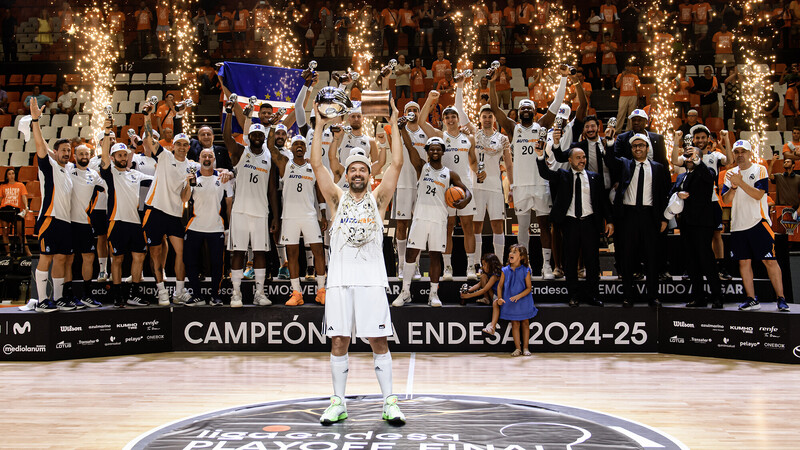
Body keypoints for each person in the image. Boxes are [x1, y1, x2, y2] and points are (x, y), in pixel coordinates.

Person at [311, 100, 405, 425]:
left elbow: (396, 165)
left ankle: (389, 402)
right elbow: (317, 166)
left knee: (378, 340)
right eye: (352, 169)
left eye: (362, 168)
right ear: (347, 174)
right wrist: (321, 126)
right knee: (339, 340)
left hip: (371, 280)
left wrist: (392, 124)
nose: (357, 173)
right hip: (338, 281)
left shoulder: (379, 200)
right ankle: (338, 402)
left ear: (368, 173)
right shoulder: (336, 199)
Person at [489, 66, 571, 279]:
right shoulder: (513, 127)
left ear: (534, 111)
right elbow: (495, 107)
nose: (525, 110)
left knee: (544, 225)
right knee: (522, 228)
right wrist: (492, 82)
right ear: (518, 111)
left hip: (541, 183)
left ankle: (545, 265)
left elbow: (556, 104)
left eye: (529, 107)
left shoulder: (542, 125)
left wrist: (563, 78)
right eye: (522, 107)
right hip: (521, 185)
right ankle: (525, 267)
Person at [392, 134, 472, 307]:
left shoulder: (450, 174)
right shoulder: (422, 167)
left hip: (439, 220)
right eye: (432, 148)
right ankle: (405, 292)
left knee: (436, 256)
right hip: (420, 217)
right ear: (427, 151)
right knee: (411, 254)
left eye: (438, 148)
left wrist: (464, 201)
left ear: (443, 152)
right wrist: (402, 129)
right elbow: (410, 147)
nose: (435, 151)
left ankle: (433, 294)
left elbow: (467, 192)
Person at [537, 137, 612, 307]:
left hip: (590, 223)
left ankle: (592, 295)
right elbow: (546, 174)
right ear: (570, 160)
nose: (582, 160)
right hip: (570, 223)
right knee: (570, 262)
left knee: (592, 261)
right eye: (578, 157)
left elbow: (603, 202)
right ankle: (573, 295)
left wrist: (610, 221)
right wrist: (541, 157)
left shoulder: (595, 178)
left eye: (584, 157)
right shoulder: (563, 175)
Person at [722, 140, 789, 312]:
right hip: (738, 225)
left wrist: (741, 183)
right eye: (736, 151)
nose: (739, 155)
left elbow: (759, 195)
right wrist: (734, 186)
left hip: (758, 221)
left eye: (743, 151)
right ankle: (751, 299)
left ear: (750, 153)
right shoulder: (730, 173)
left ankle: (781, 298)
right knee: (743, 263)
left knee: (769, 261)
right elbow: (726, 200)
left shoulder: (760, 169)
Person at [223, 105, 280, 308]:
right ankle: (236, 293)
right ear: (249, 137)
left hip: (261, 213)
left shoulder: (269, 159)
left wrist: (275, 217)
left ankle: (259, 293)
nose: (257, 137)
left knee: (260, 253)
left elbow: (272, 190)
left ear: (263, 138)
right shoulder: (240, 152)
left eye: (259, 134)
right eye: (254, 134)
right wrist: (229, 113)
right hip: (240, 212)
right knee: (238, 253)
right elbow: (227, 138)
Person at [607, 133, 671, 307]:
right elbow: (610, 160)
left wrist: (664, 218)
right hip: (628, 215)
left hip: (650, 216)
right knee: (627, 257)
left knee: (652, 257)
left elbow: (664, 194)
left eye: (641, 145)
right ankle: (628, 296)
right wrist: (611, 143)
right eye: (635, 146)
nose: (638, 148)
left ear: (647, 148)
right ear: (631, 149)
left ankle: (653, 296)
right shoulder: (625, 164)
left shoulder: (658, 168)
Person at [419, 94, 479, 280]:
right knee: (448, 228)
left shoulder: (469, 138)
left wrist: (478, 175)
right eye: (447, 117)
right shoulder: (439, 136)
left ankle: (470, 267)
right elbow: (421, 121)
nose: (451, 119)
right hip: (444, 187)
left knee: (469, 227)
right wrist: (430, 100)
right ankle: (448, 268)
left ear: (458, 119)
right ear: (443, 120)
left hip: (465, 186)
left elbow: (474, 161)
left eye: (454, 116)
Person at [268, 134, 328, 306]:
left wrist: (322, 214)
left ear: (305, 148)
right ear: (291, 148)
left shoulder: (312, 167)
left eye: (302, 144)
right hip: (290, 217)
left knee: (318, 251)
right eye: (296, 144)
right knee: (292, 255)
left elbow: (319, 192)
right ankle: (296, 293)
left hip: (310, 215)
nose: (299, 147)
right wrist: (274, 125)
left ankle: (321, 291)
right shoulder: (285, 164)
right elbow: (271, 148)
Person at [28, 98, 73, 312]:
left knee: (61, 259)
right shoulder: (49, 166)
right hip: (49, 218)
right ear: (55, 152)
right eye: (63, 150)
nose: (66, 153)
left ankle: (58, 298)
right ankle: (41, 301)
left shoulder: (69, 172)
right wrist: (35, 120)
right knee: (46, 257)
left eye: (68, 150)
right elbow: (39, 144)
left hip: (65, 221)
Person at [672, 126, 733, 280]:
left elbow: (730, 161)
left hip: (712, 201)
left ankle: (720, 267)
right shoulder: (688, 156)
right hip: (693, 203)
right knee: (691, 237)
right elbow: (673, 161)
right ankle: (691, 267)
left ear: (708, 139)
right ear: (693, 139)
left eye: (702, 138)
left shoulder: (715, 156)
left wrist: (726, 139)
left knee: (716, 234)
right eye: (697, 138)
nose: (699, 141)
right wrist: (675, 141)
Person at [671, 147, 723, 308]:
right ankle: (699, 297)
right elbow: (672, 192)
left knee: (706, 260)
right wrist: (677, 195)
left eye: (692, 157)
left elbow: (708, 179)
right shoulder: (681, 176)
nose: (688, 159)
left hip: (702, 224)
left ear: (699, 158)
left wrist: (696, 160)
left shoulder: (706, 171)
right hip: (686, 224)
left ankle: (717, 297)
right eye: (686, 157)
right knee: (691, 262)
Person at [183, 148, 232, 306]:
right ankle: (196, 295)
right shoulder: (193, 178)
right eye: (204, 155)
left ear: (214, 159)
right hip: (195, 226)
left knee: (217, 264)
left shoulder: (222, 177)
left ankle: (215, 296)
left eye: (210, 156)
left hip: (216, 227)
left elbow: (229, 203)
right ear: (199, 158)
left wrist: (229, 227)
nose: (207, 158)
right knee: (190, 262)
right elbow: (183, 199)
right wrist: (188, 183)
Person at [65, 144, 105, 308]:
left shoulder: (94, 175)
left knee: (89, 257)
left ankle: (86, 295)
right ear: (74, 156)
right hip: (68, 222)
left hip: (85, 223)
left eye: (86, 154)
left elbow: (107, 186)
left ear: (90, 156)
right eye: (80, 153)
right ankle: (67, 296)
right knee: (68, 259)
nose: (83, 156)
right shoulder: (68, 169)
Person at [472, 104, 511, 264]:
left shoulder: (503, 139)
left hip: (495, 187)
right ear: (480, 118)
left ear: (494, 118)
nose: (487, 119)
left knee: (497, 226)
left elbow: (509, 165)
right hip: (476, 187)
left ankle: (500, 263)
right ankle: (474, 264)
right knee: (476, 227)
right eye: (484, 116)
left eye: (490, 116)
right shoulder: (473, 135)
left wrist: (512, 185)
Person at [392, 101, 427, 279]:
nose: (412, 112)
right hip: (403, 183)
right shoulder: (398, 131)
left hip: (421, 184)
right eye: (409, 110)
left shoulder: (425, 133)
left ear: (419, 113)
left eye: (415, 110)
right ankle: (402, 264)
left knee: (418, 225)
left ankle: (416, 265)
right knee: (402, 225)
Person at [483, 244, 537, 357]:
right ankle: (518, 348)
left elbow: (528, 288)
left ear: (521, 257)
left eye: (514, 252)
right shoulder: (504, 270)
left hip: (523, 301)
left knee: (525, 323)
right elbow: (500, 286)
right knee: (515, 324)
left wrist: (519, 296)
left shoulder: (526, 270)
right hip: (510, 301)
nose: (511, 254)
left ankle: (526, 348)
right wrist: (500, 298)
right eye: (510, 251)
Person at [0, 168, 29, 256]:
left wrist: (26, 207)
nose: (12, 175)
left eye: (13, 173)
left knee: (20, 233)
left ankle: (28, 252)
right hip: (5, 210)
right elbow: (0, 199)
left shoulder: (20, 185)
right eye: (9, 174)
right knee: (5, 233)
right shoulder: (3, 186)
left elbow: (24, 196)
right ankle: (8, 253)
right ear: (7, 176)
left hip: (15, 210)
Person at [614, 63, 640, 132]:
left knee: (631, 114)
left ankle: (629, 130)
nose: (629, 68)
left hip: (633, 95)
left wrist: (638, 98)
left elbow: (637, 88)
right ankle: (617, 130)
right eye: (627, 66)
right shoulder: (620, 75)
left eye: (630, 66)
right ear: (625, 67)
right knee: (621, 113)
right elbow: (617, 86)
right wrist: (622, 75)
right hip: (623, 96)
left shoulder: (635, 76)